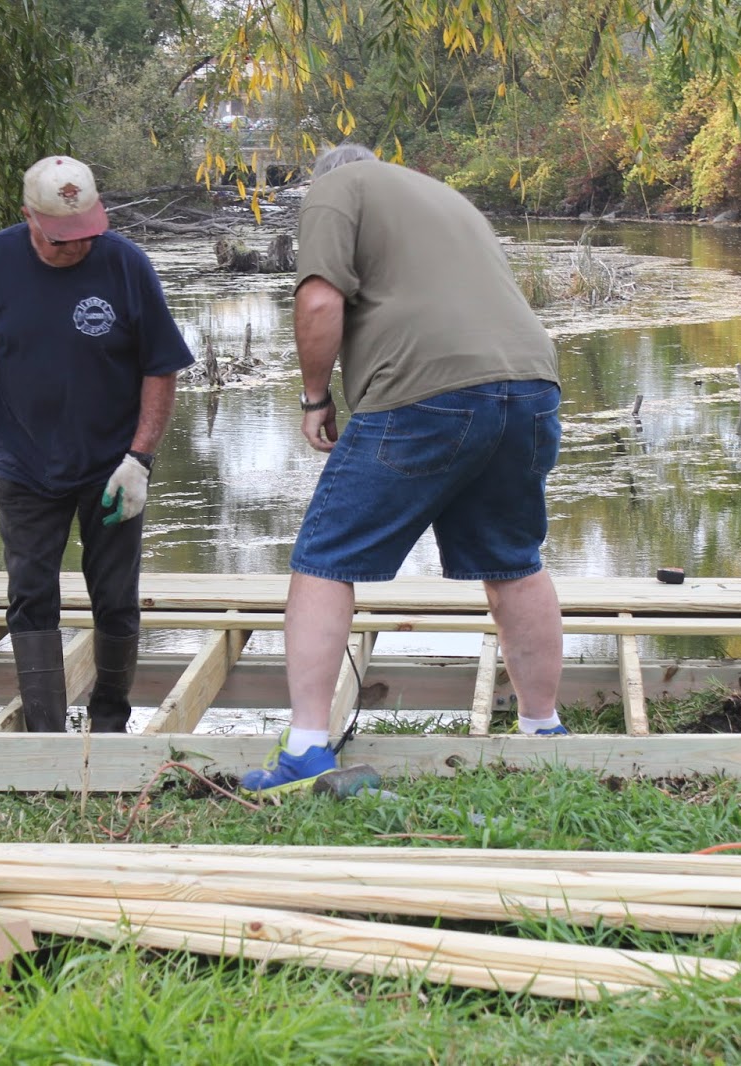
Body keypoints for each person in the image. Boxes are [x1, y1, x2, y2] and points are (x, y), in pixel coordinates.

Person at [241, 143, 567, 796]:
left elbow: (318, 302)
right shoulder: (447, 199)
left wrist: (314, 396)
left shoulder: (337, 188)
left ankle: (305, 748)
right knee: (513, 560)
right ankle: (544, 733)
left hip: (426, 390)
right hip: (530, 384)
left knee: (324, 556)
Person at [0, 155, 193, 733]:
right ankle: (46, 733)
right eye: (59, 239)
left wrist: (141, 459)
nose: (74, 248)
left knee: (117, 597)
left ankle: (109, 724)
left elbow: (161, 367)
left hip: (111, 467)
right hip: (24, 462)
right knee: (30, 594)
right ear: (29, 217)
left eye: (83, 237)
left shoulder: (126, 264)